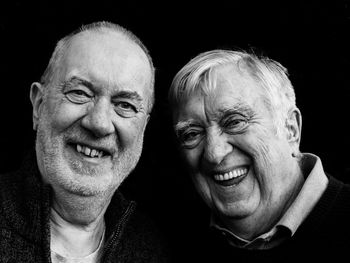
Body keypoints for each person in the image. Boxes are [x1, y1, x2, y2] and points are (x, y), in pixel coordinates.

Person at [0, 21, 171, 262]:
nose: (99, 123)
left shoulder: (154, 249)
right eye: (80, 93)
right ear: (39, 105)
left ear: (143, 128)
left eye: (125, 105)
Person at [168, 49, 350, 261]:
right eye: (192, 134)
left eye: (235, 122)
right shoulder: (169, 242)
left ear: (291, 129)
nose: (214, 154)